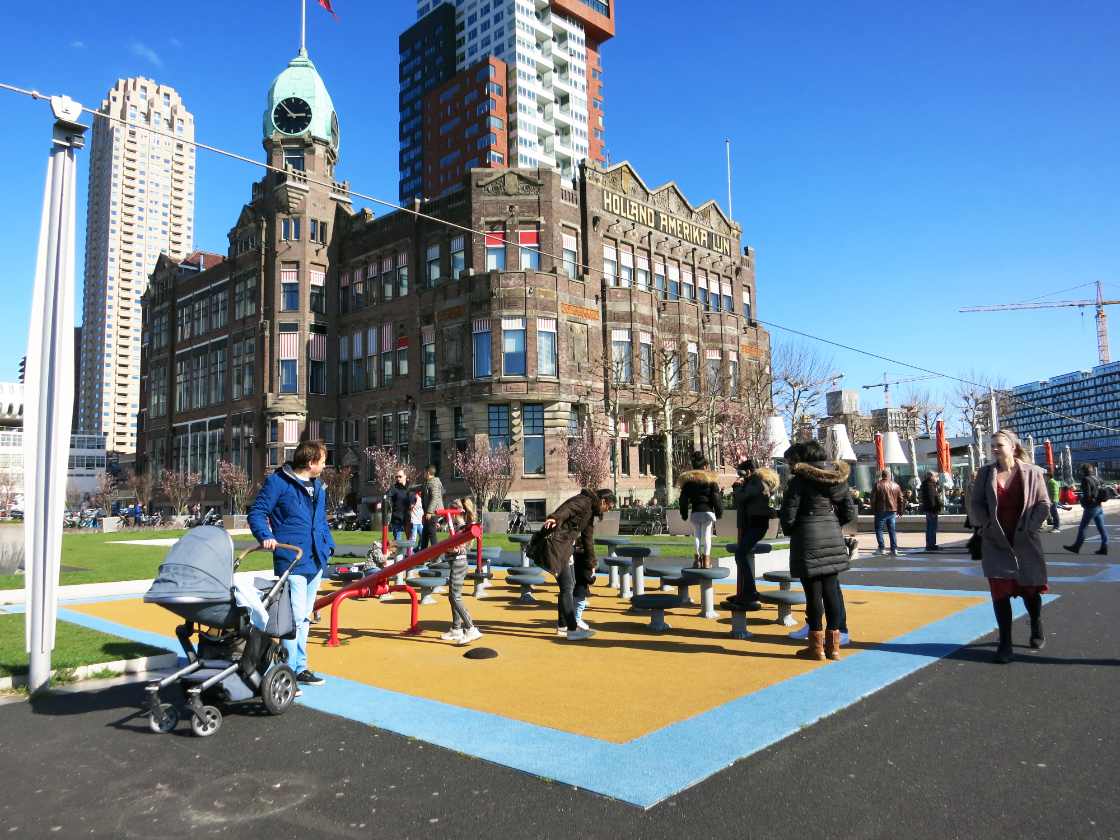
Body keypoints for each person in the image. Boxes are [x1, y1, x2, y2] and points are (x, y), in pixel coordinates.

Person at [248, 439, 336, 688]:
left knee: (305, 618)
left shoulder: (318, 486)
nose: (325, 465)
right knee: (294, 619)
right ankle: (286, 671)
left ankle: (300, 667)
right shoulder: (279, 482)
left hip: (316, 559)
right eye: (323, 461)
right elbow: (257, 512)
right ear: (311, 462)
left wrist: (328, 545)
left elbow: (320, 520)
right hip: (292, 559)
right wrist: (266, 536)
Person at [969, 430, 1051, 663]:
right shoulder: (985, 474)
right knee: (1000, 592)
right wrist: (985, 525)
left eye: (999, 445)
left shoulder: (1033, 473)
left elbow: (1044, 503)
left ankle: (1035, 623)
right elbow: (975, 503)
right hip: (996, 541)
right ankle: (1005, 643)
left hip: (1025, 540)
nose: (994, 449)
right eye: (992, 445)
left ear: (1013, 447)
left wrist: (1031, 527)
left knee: (1030, 591)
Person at [779, 441, 856, 661]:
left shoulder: (799, 481)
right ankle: (834, 647)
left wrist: (797, 529)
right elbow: (849, 512)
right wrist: (831, 523)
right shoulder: (836, 478)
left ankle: (816, 648)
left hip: (807, 539)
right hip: (831, 536)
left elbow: (788, 515)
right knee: (831, 591)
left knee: (813, 595)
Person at [540, 488, 616, 641]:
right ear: (603, 501)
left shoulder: (590, 513)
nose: (608, 510)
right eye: (609, 507)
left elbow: (588, 541)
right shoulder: (584, 501)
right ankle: (572, 630)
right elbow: (568, 508)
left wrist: (591, 563)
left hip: (565, 547)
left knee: (569, 585)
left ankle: (562, 626)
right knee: (567, 586)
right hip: (556, 545)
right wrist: (555, 517)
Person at [726, 458, 778, 609]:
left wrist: (736, 487)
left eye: (741, 472)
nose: (740, 475)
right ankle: (744, 592)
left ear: (749, 471)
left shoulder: (756, 482)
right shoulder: (755, 481)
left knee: (740, 554)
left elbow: (741, 498)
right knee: (742, 554)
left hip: (756, 524)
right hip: (752, 523)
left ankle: (750, 592)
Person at [441, 498, 483, 645]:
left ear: (453, 514)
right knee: (451, 596)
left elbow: (459, 547)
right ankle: (456, 628)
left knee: (455, 596)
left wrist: (447, 549)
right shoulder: (460, 527)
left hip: (459, 563)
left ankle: (471, 628)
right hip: (458, 563)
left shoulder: (461, 527)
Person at [677, 452, 723, 569]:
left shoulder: (689, 482)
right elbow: (716, 498)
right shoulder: (711, 481)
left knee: (696, 536)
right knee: (707, 535)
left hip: (695, 512)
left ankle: (697, 560)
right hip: (708, 511)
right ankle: (707, 561)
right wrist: (719, 512)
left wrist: (683, 513)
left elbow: (683, 500)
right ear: (705, 466)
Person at [1064, 464, 1109, 556]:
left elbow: (1088, 495)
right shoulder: (1097, 478)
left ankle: (1076, 546)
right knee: (1101, 528)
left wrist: (1081, 498)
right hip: (1099, 506)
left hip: (1091, 507)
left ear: (1084, 471)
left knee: (1083, 527)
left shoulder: (1085, 480)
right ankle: (1104, 547)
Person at [871, 469, 905, 556]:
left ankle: (882, 548)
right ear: (889, 476)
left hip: (880, 510)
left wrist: (873, 510)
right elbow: (901, 499)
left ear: (882, 476)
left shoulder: (877, 485)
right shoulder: (896, 485)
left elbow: (873, 499)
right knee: (892, 530)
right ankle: (894, 549)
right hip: (892, 511)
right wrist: (900, 511)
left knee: (879, 530)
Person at [418, 464, 444, 552]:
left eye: (424, 472)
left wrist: (429, 511)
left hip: (434, 513)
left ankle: (437, 556)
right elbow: (419, 487)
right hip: (429, 513)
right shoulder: (427, 482)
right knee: (425, 534)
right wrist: (407, 487)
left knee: (432, 534)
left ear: (428, 472)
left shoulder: (434, 482)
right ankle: (422, 556)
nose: (423, 474)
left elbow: (435, 497)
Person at [919, 471, 944, 551]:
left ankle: (930, 544)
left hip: (929, 509)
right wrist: (934, 510)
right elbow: (931, 499)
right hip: (931, 510)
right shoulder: (929, 486)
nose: (937, 478)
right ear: (931, 477)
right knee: (932, 528)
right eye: (936, 476)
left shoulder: (928, 485)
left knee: (930, 527)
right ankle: (931, 545)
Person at [386, 469, 412, 544]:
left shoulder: (409, 488)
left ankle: (410, 554)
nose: (398, 478)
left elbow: (414, 498)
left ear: (405, 477)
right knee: (398, 541)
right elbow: (387, 495)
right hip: (397, 518)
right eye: (396, 477)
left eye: (400, 476)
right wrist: (384, 501)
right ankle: (398, 555)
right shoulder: (394, 488)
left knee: (410, 539)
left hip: (407, 518)